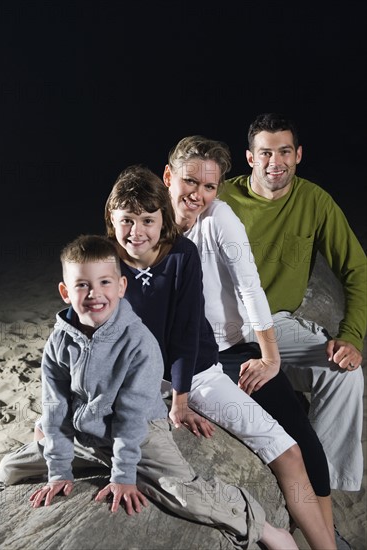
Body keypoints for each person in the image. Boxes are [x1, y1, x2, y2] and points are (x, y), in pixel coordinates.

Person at [0, 234, 299, 550]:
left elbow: (132, 413)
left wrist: (121, 475)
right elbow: (56, 402)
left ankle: (267, 529)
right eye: (82, 285)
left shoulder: (137, 341)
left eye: (105, 283)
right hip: (88, 435)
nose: (94, 294)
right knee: (11, 466)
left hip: (141, 436)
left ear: (121, 287)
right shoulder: (60, 340)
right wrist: (59, 469)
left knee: (182, 494)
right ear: (65, 291)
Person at [104, 164, 336, 549]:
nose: (137, 231)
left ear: (163, 219)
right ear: (111, 220)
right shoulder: (105, 259)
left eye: (148, 219)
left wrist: (180, 400)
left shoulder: (182, 254)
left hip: (198, 377)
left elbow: (185, 334)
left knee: (288, 450)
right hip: (137, 383)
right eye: (126, 220)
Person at [162, 134, 337, 540]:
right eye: (189, 182)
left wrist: (270, 358)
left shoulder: (219, 218)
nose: (197, 194)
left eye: (208, 186)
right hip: (188, 361)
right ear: (168, 176)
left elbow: (250, 288)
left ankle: (329, 532)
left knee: (299, 439)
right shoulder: (147, 224)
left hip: (234, 349)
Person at [218, 112, 366, 494]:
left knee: (345, 375)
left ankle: (319, 493)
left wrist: (352, 336)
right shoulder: (221, 197)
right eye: (265, 153)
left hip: (276, 324)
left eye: (284, 152)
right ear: (250, 158)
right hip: (220, 325)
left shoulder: (314, 202)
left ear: (298, 155)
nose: (275, 162)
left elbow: (357, 269)